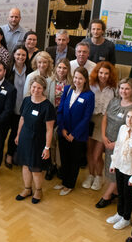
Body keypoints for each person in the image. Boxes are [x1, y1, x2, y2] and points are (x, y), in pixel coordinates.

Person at [96, 77, 132, 209]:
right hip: (107, 141)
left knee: (117, 170)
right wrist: (104, 137)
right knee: (110, 169)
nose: (124, 91)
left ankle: (107, 195)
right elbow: (105, 118)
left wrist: (115, 144)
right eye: (122, 88)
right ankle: (116, 192)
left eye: (127, 88)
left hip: (121, 147)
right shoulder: (114, 101)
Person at [106, 107, 132, 231]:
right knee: (120, 192)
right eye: (128, 116)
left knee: (128, 194)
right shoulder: (123, 129)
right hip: (120, 165)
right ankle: (119, 213)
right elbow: (118, 146)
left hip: (130, 170)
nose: (129, 120)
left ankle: (126, 217)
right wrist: (113, 164)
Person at [14, 78, 55, 204]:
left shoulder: (48, 106)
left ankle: (38, 190)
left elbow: (49, 129)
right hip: (25, 138)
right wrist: (18, 135)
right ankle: (27, 189)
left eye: (39, 88)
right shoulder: (26, 100)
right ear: (30, 87)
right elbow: (22, 119)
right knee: (25, 165)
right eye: (33, 87)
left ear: (43, 89)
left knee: (35, 168)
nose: (35, 90)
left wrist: (47, 148)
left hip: (38, 141)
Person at [56, 66, 95, 195]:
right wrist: (62, 129)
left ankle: (69, 184)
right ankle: (63, 181)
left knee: (74, 160)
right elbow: (60, 110)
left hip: (77, 135)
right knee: (64, 157)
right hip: (63, 131)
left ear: (85, 80)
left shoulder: (89, 95)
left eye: (80, 78)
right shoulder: (67, 89)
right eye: (76, 77)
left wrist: (74, 134)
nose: (77, 80)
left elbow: (86, 118)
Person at [84, 61, 117, 190]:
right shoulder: (91, 85)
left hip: (104, 122)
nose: (103, 76)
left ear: (110, 75)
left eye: (106, 73)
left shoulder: (114, 88)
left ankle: (99, 177)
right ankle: (90, 175)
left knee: (97, 154)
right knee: (89, 151)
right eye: (101, 73)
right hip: (90, 120)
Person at [4, 45, 32, 169]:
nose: (20, 57)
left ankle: (13, 154)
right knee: (7, 133)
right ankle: (5, 154)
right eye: (18, 54)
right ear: (14, 55)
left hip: (24, 108)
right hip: (9, 107)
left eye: (23, 55)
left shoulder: (30, 71)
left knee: (18, 133)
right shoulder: (8, 70)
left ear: (26, 57)